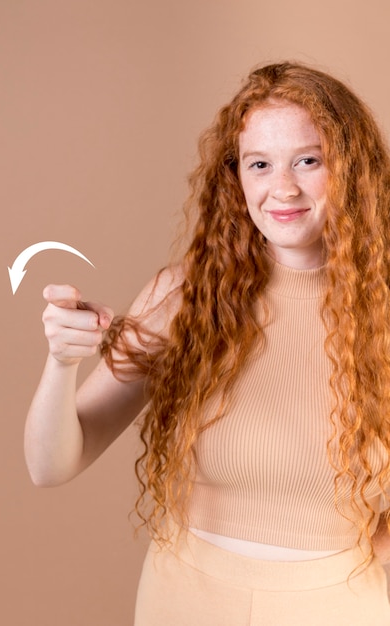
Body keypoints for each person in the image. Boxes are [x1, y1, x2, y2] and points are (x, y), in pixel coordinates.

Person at [25, 61, 390, 625]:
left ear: (352, 169)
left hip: (339, 606)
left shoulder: (382, 316)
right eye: (260, 164)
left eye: (309, 160)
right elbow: (50, 465)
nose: (283, 187)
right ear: (236, 177)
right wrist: (61, 362)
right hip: (186, 602)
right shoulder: (186, 296)